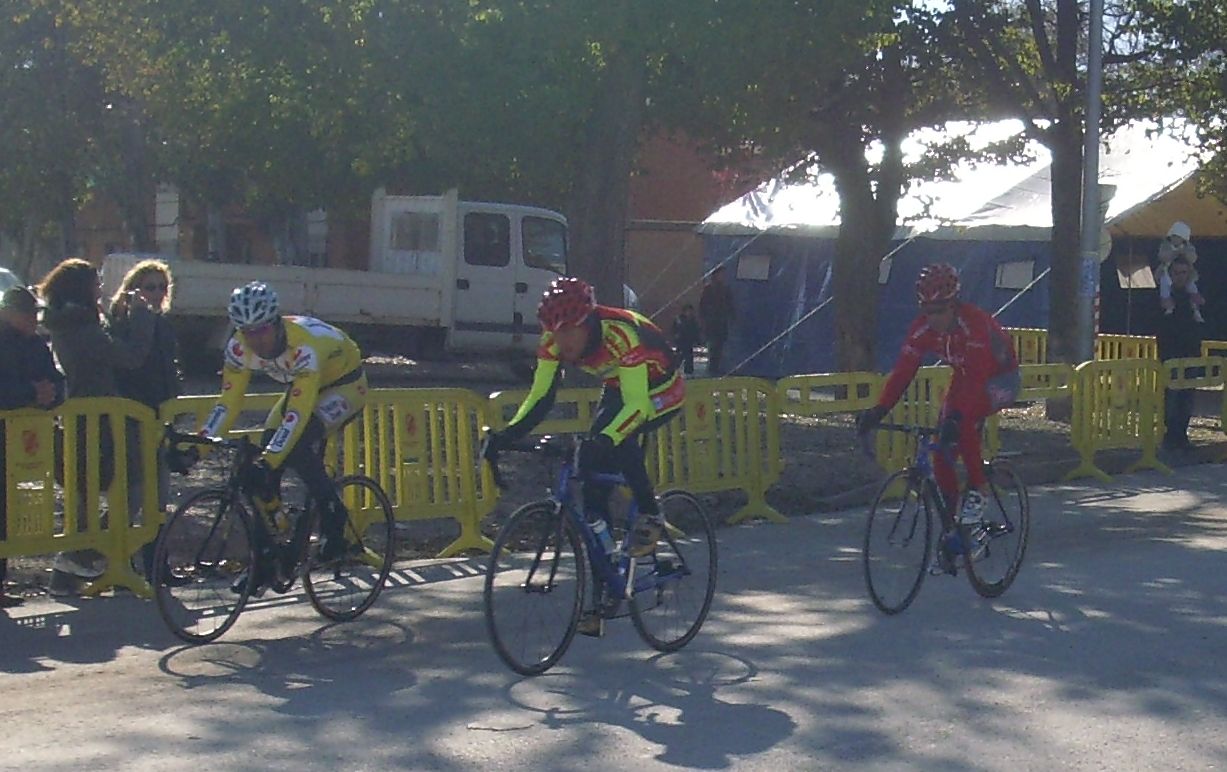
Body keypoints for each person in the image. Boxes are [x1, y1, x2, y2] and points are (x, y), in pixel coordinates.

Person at [482, 276, 684, 636]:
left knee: (618, 439)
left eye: (569, 331)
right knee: (592, 493)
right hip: (620, 383)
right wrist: (505, 435)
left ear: (588, 321)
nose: (562, 342)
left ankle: (651, 512)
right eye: (555, 332)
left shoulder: (621, 334)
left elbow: (637, 406)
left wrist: (605, 439)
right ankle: (602, 595)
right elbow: (540, 397)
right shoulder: (553, 340)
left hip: (661, 387)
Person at [193, 281, 367, 596]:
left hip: (345, 385)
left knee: (294, 447)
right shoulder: (238, 347)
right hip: (305, 387)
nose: (256, 340)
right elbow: (228, 403)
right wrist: (197, 449)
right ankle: (264, 563)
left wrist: (269, 460)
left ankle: (334, 518)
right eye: (247, 332)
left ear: (275, 323)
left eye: (261, 331)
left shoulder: (302, 347)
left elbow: (298, 415)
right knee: (263, 473)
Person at [857, 263, 1020, 566]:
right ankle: (954, 530)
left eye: (940, 310)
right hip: (966, 377)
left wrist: (957, 418)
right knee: (941, 452)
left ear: (954, 304)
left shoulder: (974, 323)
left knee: (963, 420)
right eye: (927, 310)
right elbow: (903, 372)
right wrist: (879, 410)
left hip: (1000, 379)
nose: (934, 318)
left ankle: (980, 491)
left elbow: (977, 379)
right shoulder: (922, 329)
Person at [40, 258, 154, 594]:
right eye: (96, 283)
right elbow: (130, 357)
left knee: (86, 497)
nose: (100, 289)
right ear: (82, 288)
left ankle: (74, 569)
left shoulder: (67, 322)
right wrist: (142, 317)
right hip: (100, 419)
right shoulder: (80, 327)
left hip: (87, 418)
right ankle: (83, 555)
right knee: (131, 487)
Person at [109, 259, 182, 577]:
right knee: (133, 494)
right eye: (149, 287)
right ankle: (114, 562)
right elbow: (132, 363)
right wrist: (140, 317)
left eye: (162, 287)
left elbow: (169, 369)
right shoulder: (123, 322)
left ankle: (157, 565)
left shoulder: (162, 323)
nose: (156, 293)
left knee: (160, 495)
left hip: (160, 415)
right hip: (132, 417)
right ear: (132, 289)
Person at [0, 287, 65, 607]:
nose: (33, 319)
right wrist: (29, 392)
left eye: (35, 313)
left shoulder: (36, 344)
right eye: (26, 313)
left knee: (6, 510)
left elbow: (57, 380)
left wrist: (50, 394)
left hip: (22, 440)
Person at [1157, 256, 1204, 452]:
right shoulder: (1163, 294)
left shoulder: (1192, 293)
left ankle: (1182, 435)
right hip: (1171, 354)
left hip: (1190, 352)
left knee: (1187, 397)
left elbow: (1201, 320)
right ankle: (1170, 436)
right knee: (1172, 397)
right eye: (1176, 273)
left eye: (1184, 273)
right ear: (1171, 273)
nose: (1180, 277)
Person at [1157, 221, 1205, 323]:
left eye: (1178, 237)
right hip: (1168, 272)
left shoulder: (1188, 248)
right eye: (1174, 236)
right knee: (1164, 284)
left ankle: (1196, 310)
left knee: (1192, 286)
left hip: (1186, 274)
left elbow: (1193, 258)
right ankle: (1168, 306)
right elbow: (1162, 256)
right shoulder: (1166, 246)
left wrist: (1184, 254)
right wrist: (1173, 254)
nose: (1175, 239)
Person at [699, 265, 736, 375]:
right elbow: (702, 306)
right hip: (712, 322)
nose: (722, 277)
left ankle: (715, 367)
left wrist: (732, 316)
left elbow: (730, 305)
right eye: (720, 274)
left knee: (719, 346)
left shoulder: (725, 289)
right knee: (713, 345)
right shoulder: (708, 289)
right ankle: (711, 367)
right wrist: (704, 320)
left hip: (721, 322)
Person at [671, 303, 701, 376]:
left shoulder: (693, 320)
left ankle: (689, 372)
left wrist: (698, 340)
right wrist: (676, 336)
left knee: (689, 357)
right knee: (679, 357)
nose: (690, 312)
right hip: (681, 341)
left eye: (691, 311)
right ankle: (673, 370)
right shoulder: (679, 319)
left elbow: (696, 330)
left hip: (689, 341)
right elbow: (674, 329)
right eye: (688, 311)